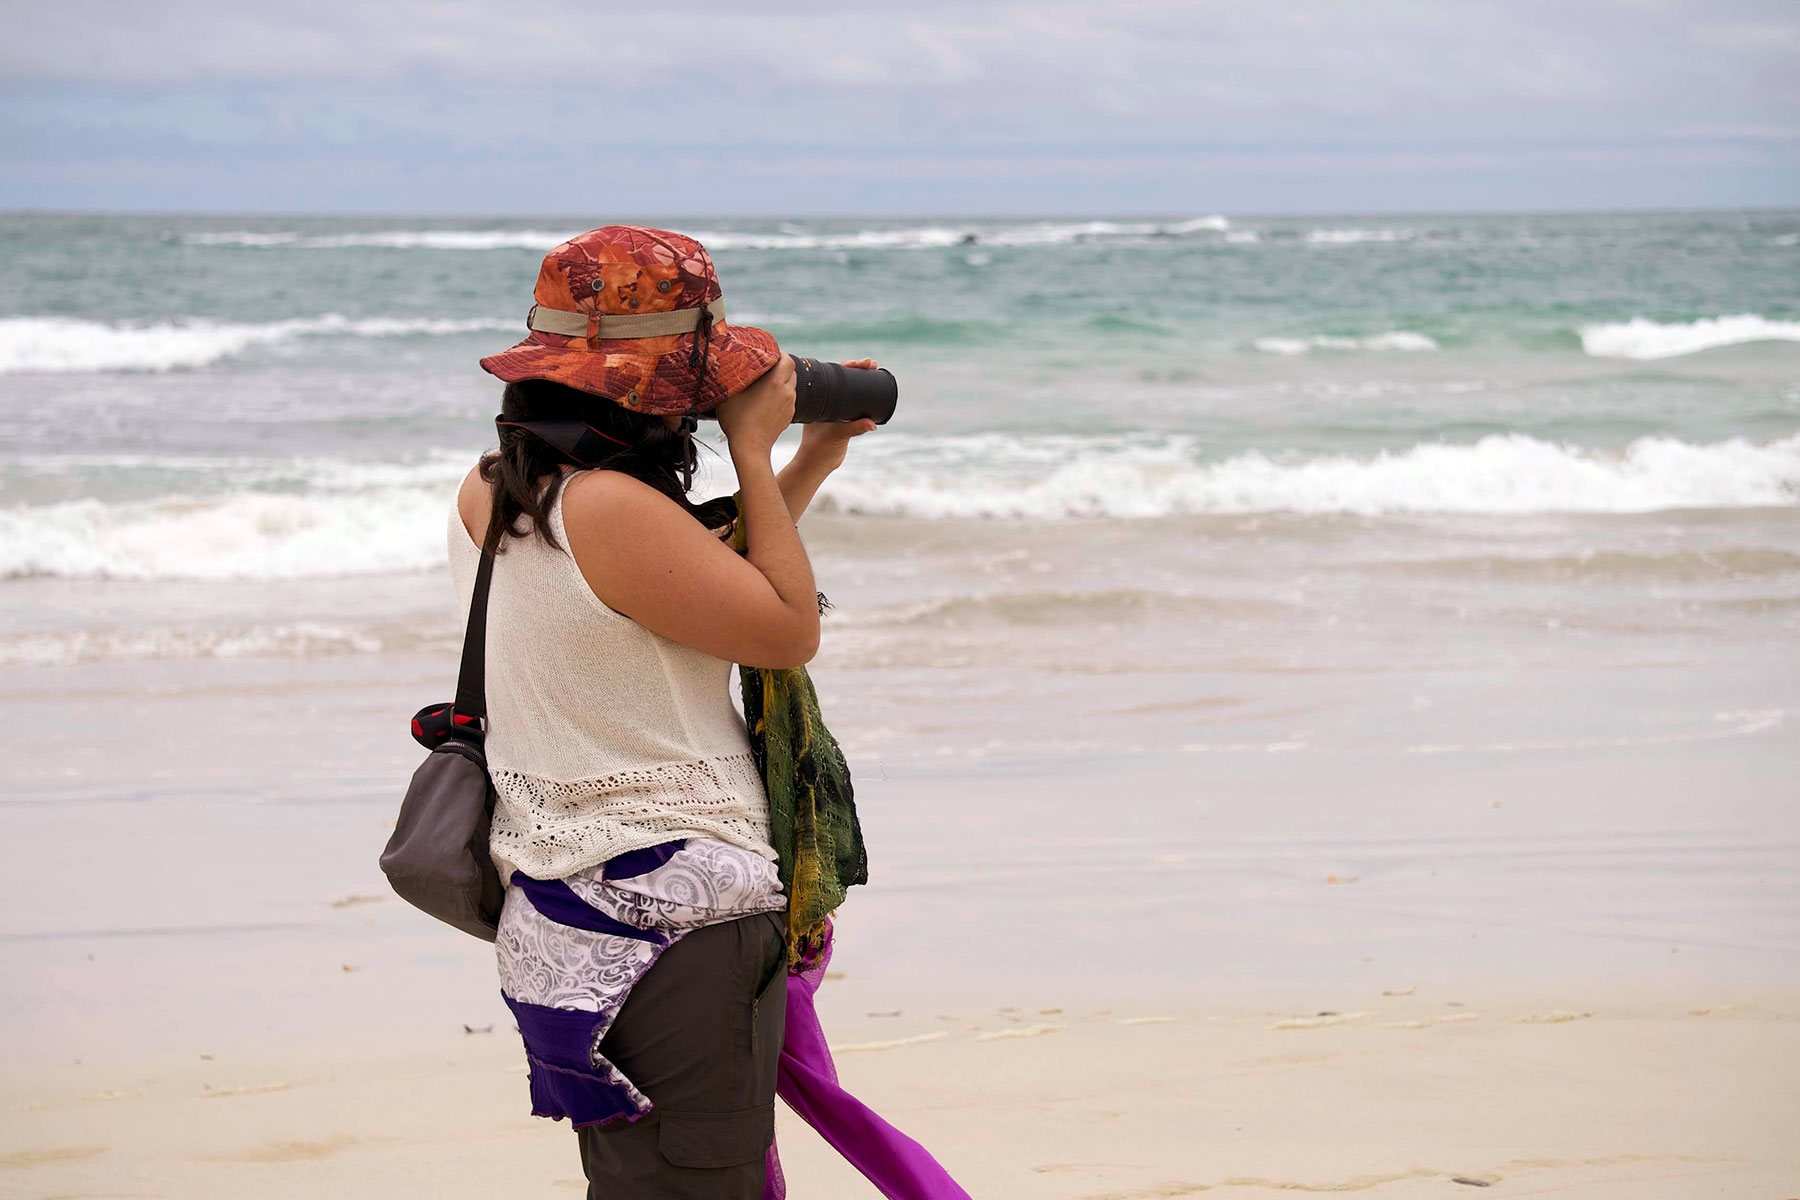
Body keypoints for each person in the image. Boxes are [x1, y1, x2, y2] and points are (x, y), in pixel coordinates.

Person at [451, 225, 876, 1197]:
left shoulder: (497, 493)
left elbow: (690, 583)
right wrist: (756, 450)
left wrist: (807, 465)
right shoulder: (613, 509)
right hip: (678, 926)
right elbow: (780, 628)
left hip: (564, 925)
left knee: (639, 1185)